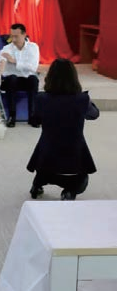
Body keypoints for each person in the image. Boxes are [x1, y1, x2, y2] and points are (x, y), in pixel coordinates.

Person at [26, 59, 100, 201]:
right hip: (74, 154)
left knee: (43, 167)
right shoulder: (82, 100)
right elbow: (94, 114)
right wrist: (85, 100)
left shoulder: (41, 98)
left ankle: (37, 185)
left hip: (47, 156)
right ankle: (69, 191)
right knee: (82, 180)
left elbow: (35, 120)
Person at [0, 23, 40, 127]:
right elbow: (2, 60)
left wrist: (14, 61)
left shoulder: (33, 47)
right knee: (12, 78)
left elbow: (33, 67)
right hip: (10, 81)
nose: (13, 39)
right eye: (11, 36)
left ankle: (33, 117)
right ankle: (12, 116)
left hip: (27, 79)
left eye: (16, 36)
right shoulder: (7, 48)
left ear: (24, 34)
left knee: (33, 79)